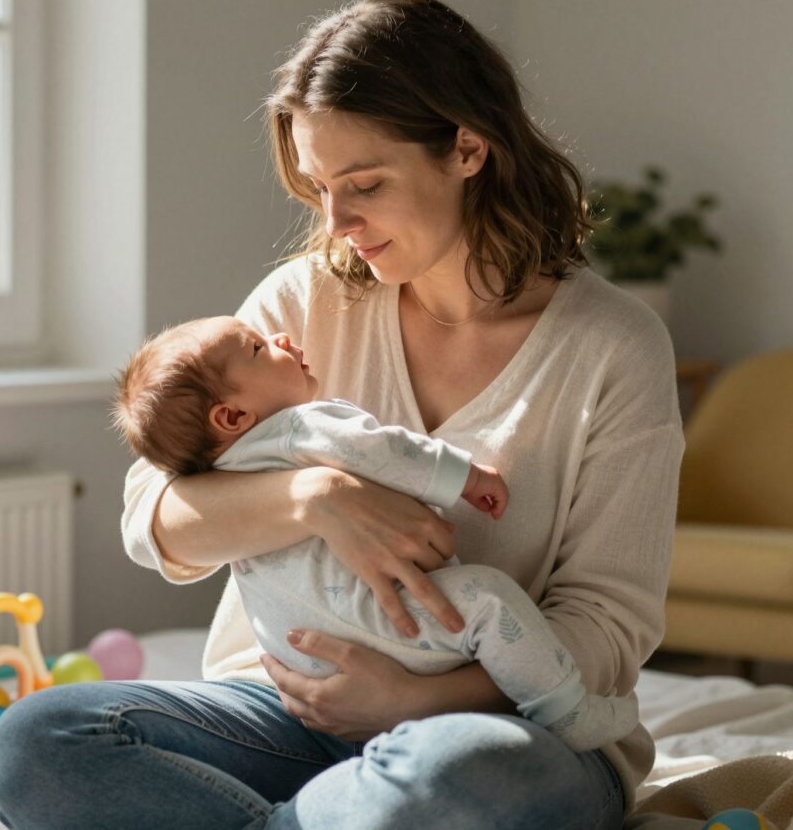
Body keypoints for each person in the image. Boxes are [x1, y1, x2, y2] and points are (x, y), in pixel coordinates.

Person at [0, 0, 684, 829]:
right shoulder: (302, 303)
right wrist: (319, 501)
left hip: (499, 728)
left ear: (468, 147)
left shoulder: (614, 346)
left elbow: (609, 626)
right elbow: (154, 516)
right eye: (318, 187)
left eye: (363, 185)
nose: (336, 222)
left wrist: (410, 699)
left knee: (453, 778)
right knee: (43, 737)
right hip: (289, 716)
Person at [109, 314, 638, 752]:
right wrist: (465, 477)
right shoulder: (300, 426)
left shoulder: (212, 469)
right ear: (230, 414)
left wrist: (407, 702)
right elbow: (382, 449)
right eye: (258, 346)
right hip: (386, 630)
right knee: (491, 602)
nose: (281, 337)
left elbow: (608, 613)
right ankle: (564, 712)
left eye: (366, 185)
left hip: (305, 668)